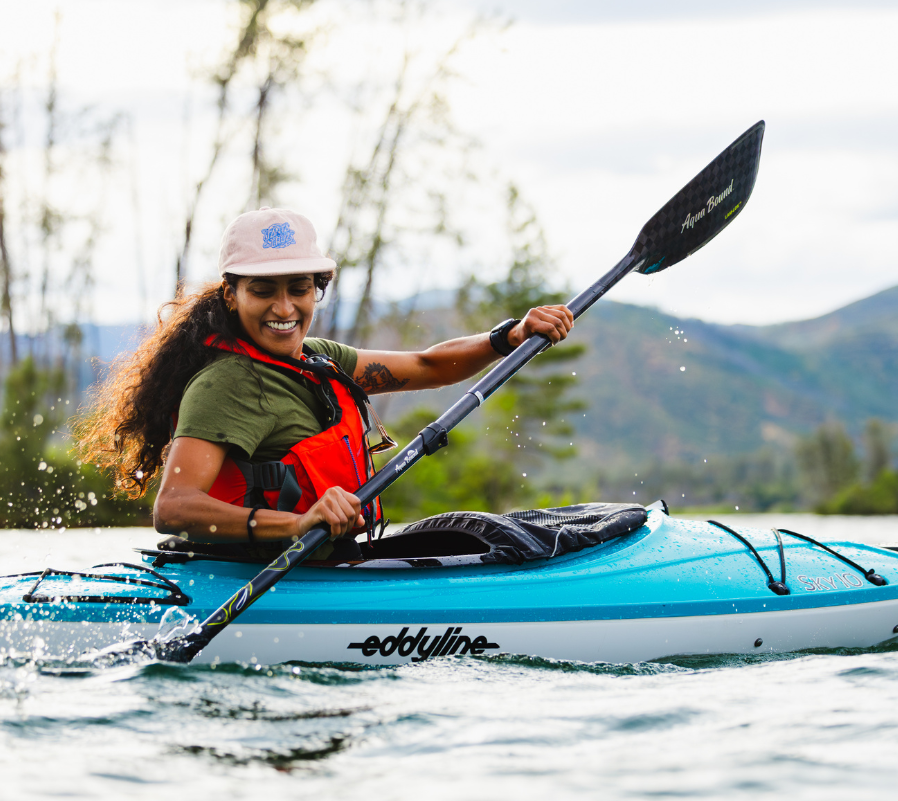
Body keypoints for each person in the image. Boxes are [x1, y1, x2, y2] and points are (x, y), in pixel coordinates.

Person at [77, 207, 573, 556]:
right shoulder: (226, 385)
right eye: (262, 290)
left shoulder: (319, 361)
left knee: (491, 534)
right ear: (231, 295)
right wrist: (298, 523)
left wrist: (511, 335)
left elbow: (429, 365)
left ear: (318, 289)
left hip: (331, 566)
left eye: (299, 288)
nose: (284, 308)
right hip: (255, 577)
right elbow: (175, 508)